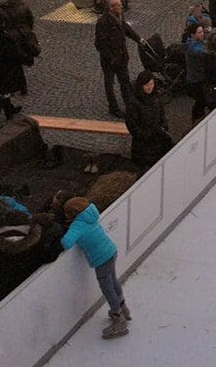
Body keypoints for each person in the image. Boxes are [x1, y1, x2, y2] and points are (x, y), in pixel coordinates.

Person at [60, 196, 131, 340]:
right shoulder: (91, 216)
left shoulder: (77, 225)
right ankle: (124, 308)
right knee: (113, 281)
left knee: (107, 288)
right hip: (110, 251)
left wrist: (63, 234)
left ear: (72, 214)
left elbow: (66, 243)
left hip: (101, 260)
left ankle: (119, 319)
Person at [94, 0, 143, 118]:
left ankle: (130, 106)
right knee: (109, 84)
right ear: (111, 8)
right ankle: (113, 108)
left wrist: (138, 38)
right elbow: (99, 44)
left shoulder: (119, 17)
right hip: (110, 61)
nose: (121, 7)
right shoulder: (103, 22)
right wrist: (110, 57)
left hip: (121, 57)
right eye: (119, 5)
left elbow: (126, 29)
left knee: (125, 82)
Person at [125, 71, 173, 168]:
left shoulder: (156, 97)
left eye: (151, 84)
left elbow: (162, 114)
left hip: (158, 140)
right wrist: (145, 135)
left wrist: (164, 126)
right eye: (146, 85)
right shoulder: (133, 104)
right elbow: (132, 126)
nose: (149, 87)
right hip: (143, 146)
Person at [0, 0, 40, 74]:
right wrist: (28, 29)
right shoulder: (24, 6)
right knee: (24, 48)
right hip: (24, 32)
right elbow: (30, 19)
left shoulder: (2, 9)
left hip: (10, 33)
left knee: (13, 51)